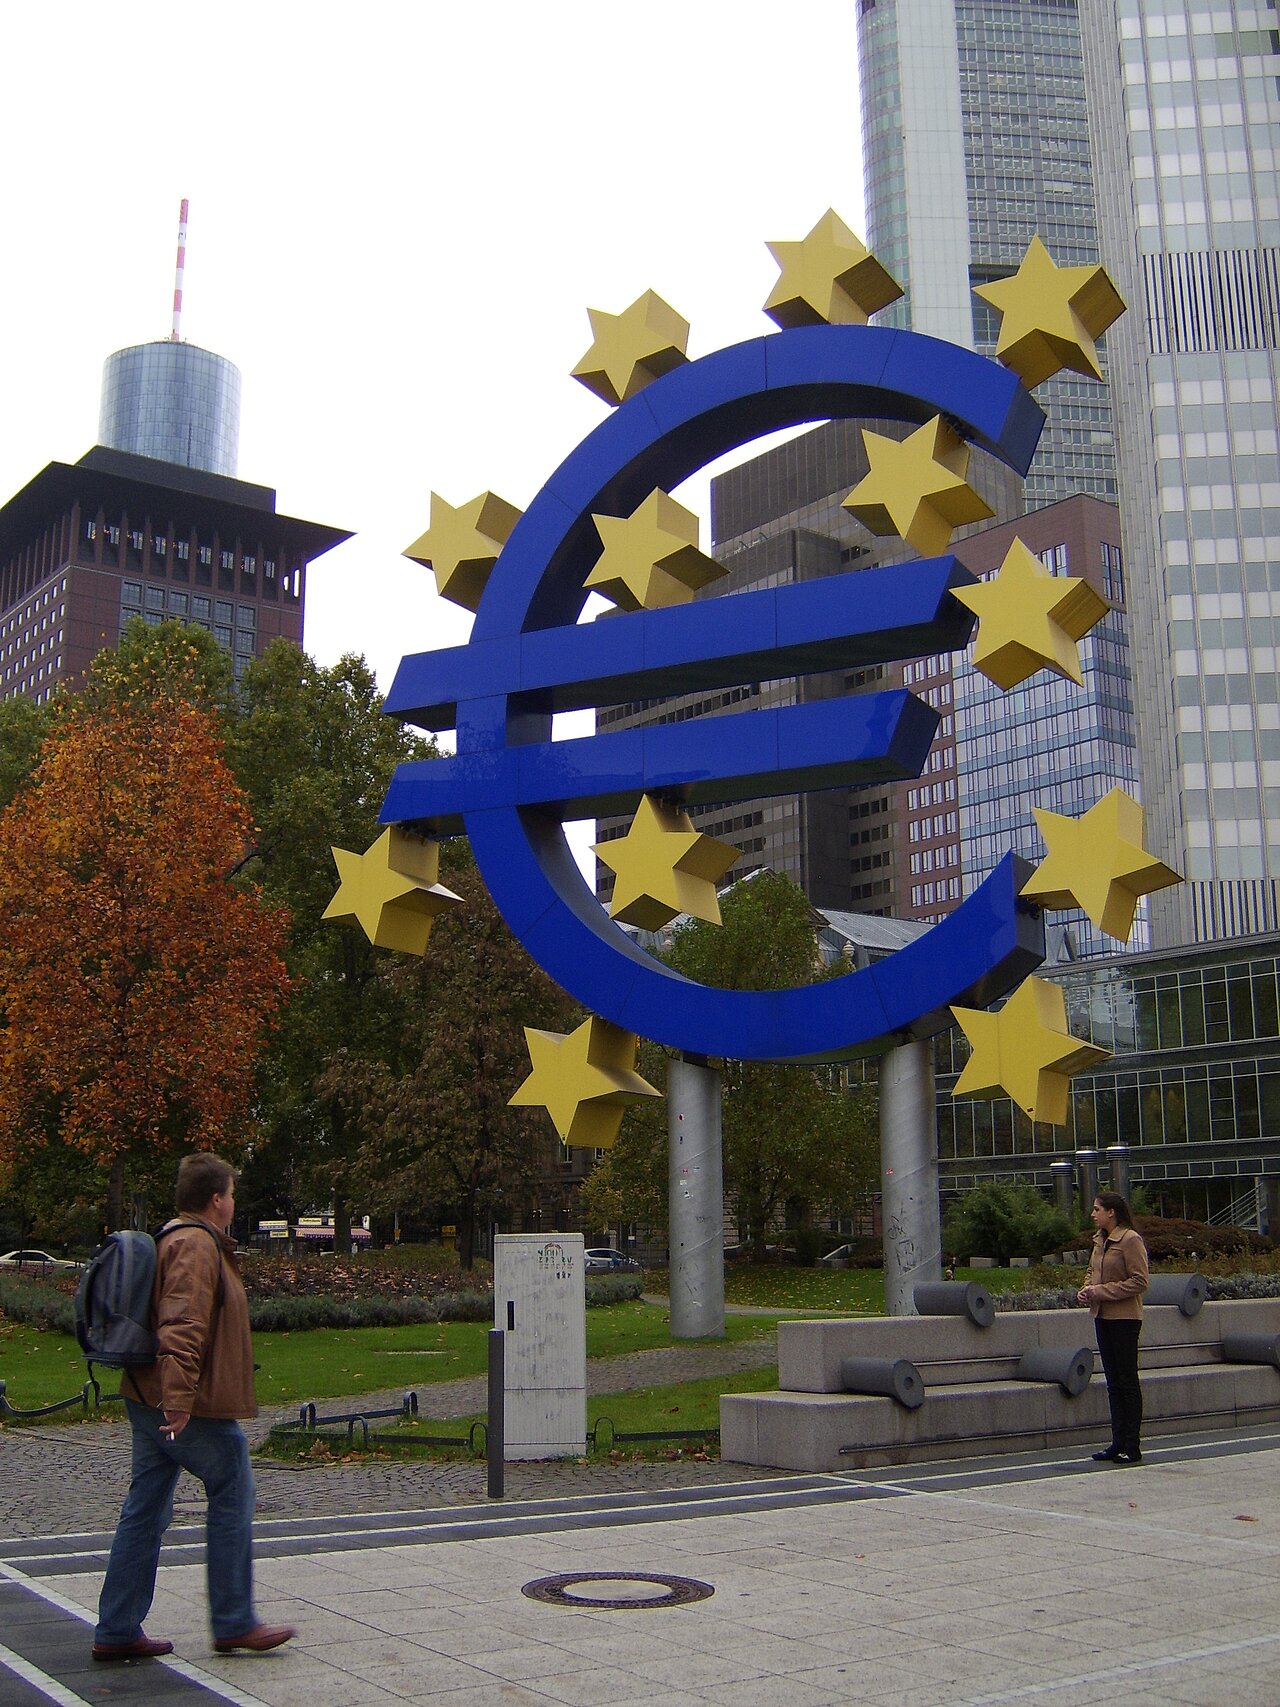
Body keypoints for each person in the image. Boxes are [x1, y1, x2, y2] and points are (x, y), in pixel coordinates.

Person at [93, 1154, 295, 1661]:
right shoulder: (195, 1245)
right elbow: (182, 1324)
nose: (234, 1201)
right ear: (216, 1200)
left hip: (148, 1394)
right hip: (183, 1404)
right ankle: (234, 1621)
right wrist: (178, 1400)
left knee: (145, 1510)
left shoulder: (177, 1238)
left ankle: (117, 1628)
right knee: (232, 1483)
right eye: (231, 1194)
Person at [1077, 1190, 1149, 1466]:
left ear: (1111, 1213)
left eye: (1097, 1209)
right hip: (1102, 1316)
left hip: (1125, 1318)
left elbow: (1140, 1281)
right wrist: (1085, 1289)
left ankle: (1132, 1445)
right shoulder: (1100, 1240)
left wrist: (1102, 1291)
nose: (1093, 1214)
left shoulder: (1130, 1240)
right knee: (1113, 1382)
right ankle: (1117, 1441)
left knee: (1127, 1380)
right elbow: (1092, 1272)